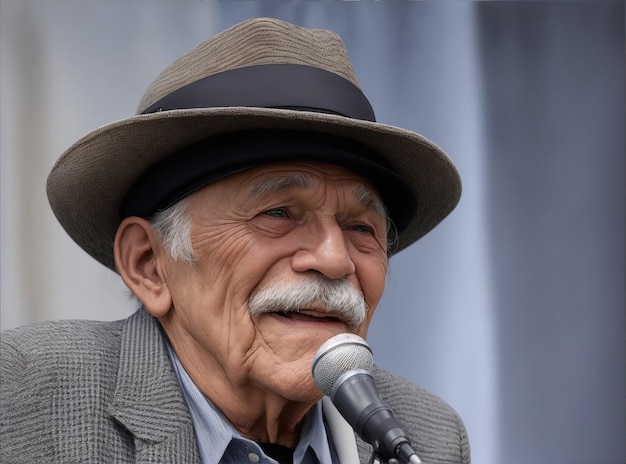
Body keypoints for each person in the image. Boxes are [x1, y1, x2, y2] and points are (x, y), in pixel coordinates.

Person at [0, 17, 469, 464]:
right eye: (278, 213)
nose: (333, 259)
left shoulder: (426, 434)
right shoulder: (25, 396)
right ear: (149, 264)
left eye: (360, 227)